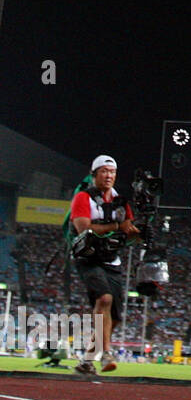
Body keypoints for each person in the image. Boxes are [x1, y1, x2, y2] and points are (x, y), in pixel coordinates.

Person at [69, 155, 140, 376]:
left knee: (115, 317)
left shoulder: (121, 202)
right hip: (88, 258)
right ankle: (107, 353)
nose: (109, 175)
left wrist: (138, 233)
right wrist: (117, 226)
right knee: (104, 299)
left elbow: (128, 233)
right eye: (104, 171)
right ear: (94, 174)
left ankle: (87, 361)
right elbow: (84, 229)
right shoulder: (83, 198)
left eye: (112, 172)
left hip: (112, 260)